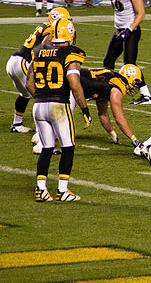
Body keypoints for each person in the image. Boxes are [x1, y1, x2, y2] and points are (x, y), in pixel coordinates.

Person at [26, 18, 91, 202]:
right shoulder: (71, 53)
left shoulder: (38, 50)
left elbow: (29, 82)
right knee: (68, 147)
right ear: (69, 33)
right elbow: (75, 84)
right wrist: (85, 110)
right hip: (58, 106)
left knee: (46, 148)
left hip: (38, 106)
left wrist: (40, 97)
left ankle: (41, 189)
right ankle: (62, 191)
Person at [6, 7, 70, 133]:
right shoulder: (51, 30)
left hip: (15, 61)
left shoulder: (45, 25)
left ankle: (17, 124)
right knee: (40, 94)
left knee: (26, 94)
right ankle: (43, 129)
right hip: (23, 62)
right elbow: (44, 46)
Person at [104, 0, 151, 105]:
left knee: (130, 64)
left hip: (131, 30)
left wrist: (129, 29)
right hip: (119, 28)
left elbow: (141, 13)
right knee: (108, 61)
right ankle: (107, 90)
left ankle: (146, 95)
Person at [79, 64, 144, 152]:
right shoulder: (117, 86)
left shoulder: (109, 82)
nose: (135, 84)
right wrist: (134, 139)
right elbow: (119, 118)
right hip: (70, 83)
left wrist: (113, 135)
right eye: (135, 81)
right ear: (129, 76)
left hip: (74, 79)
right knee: (63, 119)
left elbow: (102, 113)